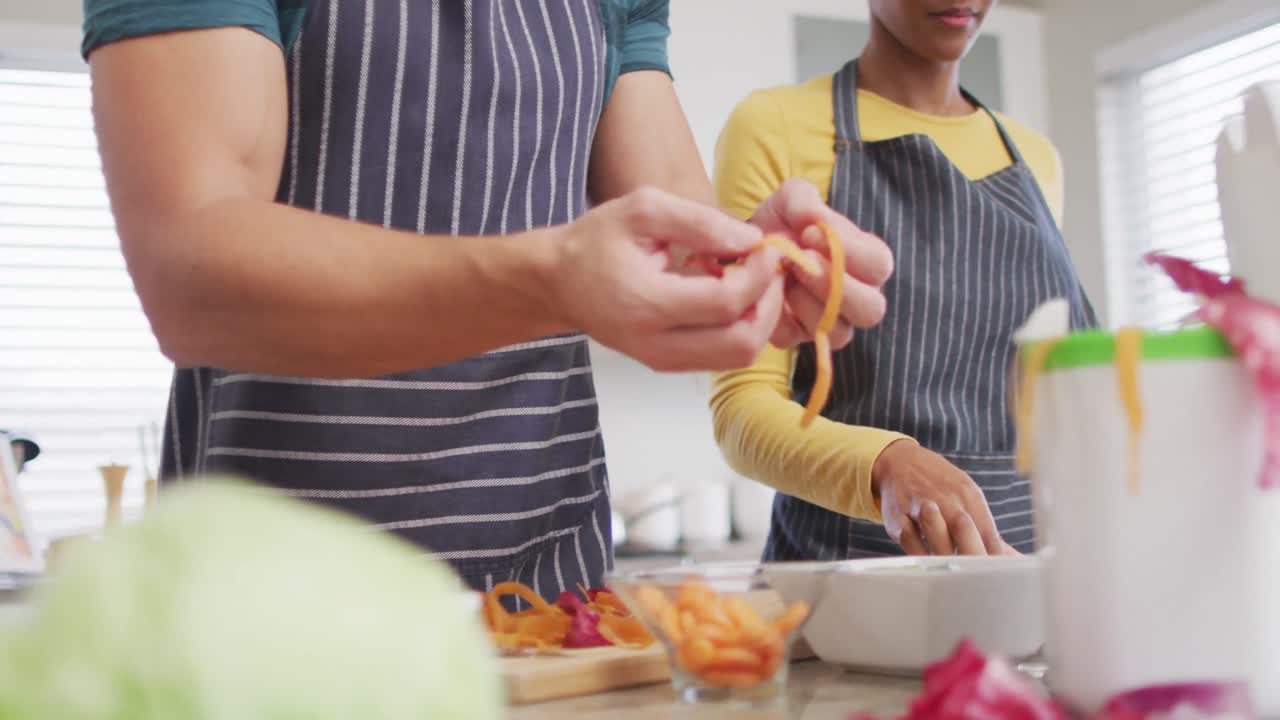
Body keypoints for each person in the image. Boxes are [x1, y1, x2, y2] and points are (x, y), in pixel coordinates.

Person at [82, 0, 893, 597]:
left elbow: (681, 240)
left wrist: (753, 263)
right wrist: (555, 277)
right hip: (269, 603)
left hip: (548, 603)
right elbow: (191, 275)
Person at [711, 0, 1096, 560]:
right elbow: (741, 408)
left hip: (1023, 573)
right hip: (846, 583)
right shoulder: (776, 126)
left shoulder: (1038, 158)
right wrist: (886, 463)